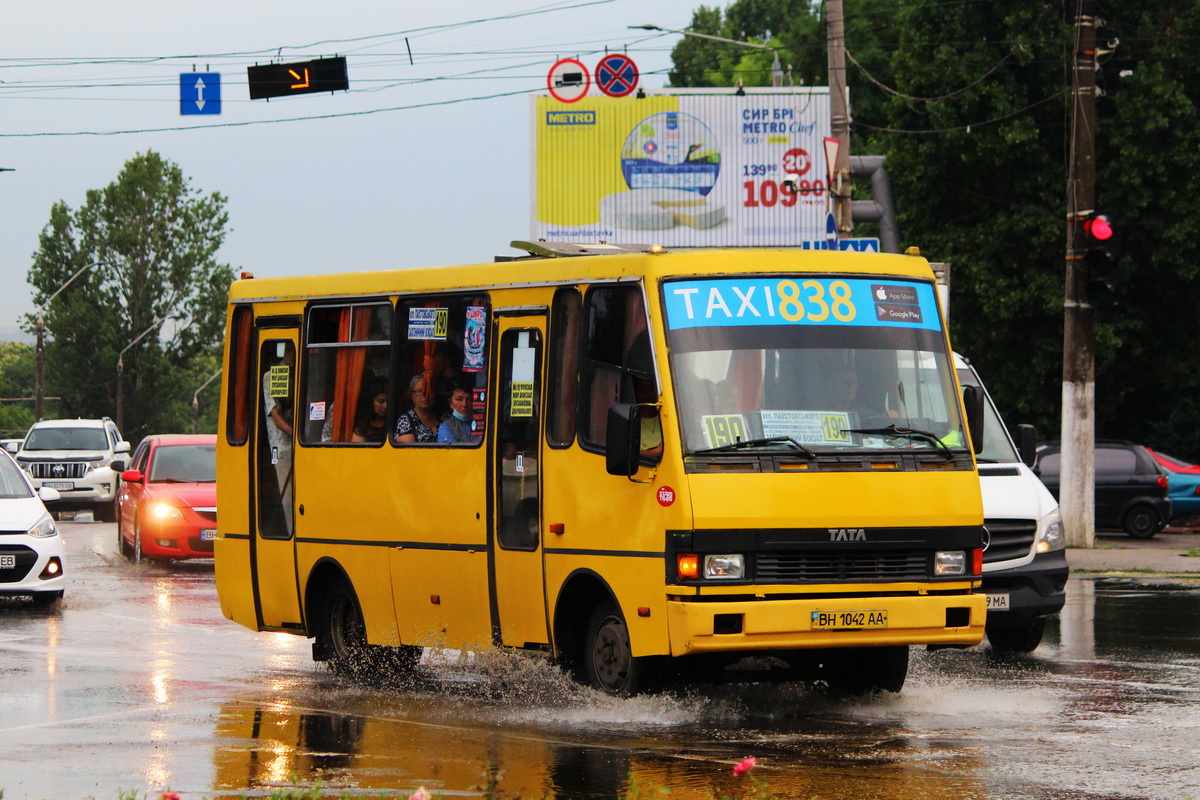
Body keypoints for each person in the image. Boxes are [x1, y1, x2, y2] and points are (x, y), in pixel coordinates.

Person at [394, 373, 441, 443]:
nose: (424, 395)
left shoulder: (443, 417)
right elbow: (410, 450)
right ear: (412, 396)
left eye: (428, 391)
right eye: (419, 391)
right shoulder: (405, 420)